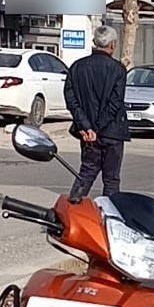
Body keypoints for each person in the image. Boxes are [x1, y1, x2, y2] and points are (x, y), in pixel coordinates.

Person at [64, 24, 128, 202]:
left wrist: (87, 127)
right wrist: (96, 128)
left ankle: (73, 207)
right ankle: (111, 214)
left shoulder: (77, 67)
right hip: (111, 132)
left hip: (88, 134)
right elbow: (115, 103)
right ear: (113, 45)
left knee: (86, 173)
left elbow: (71, 100)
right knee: (111, 179)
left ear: (94, 42)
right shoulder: (118, 69)